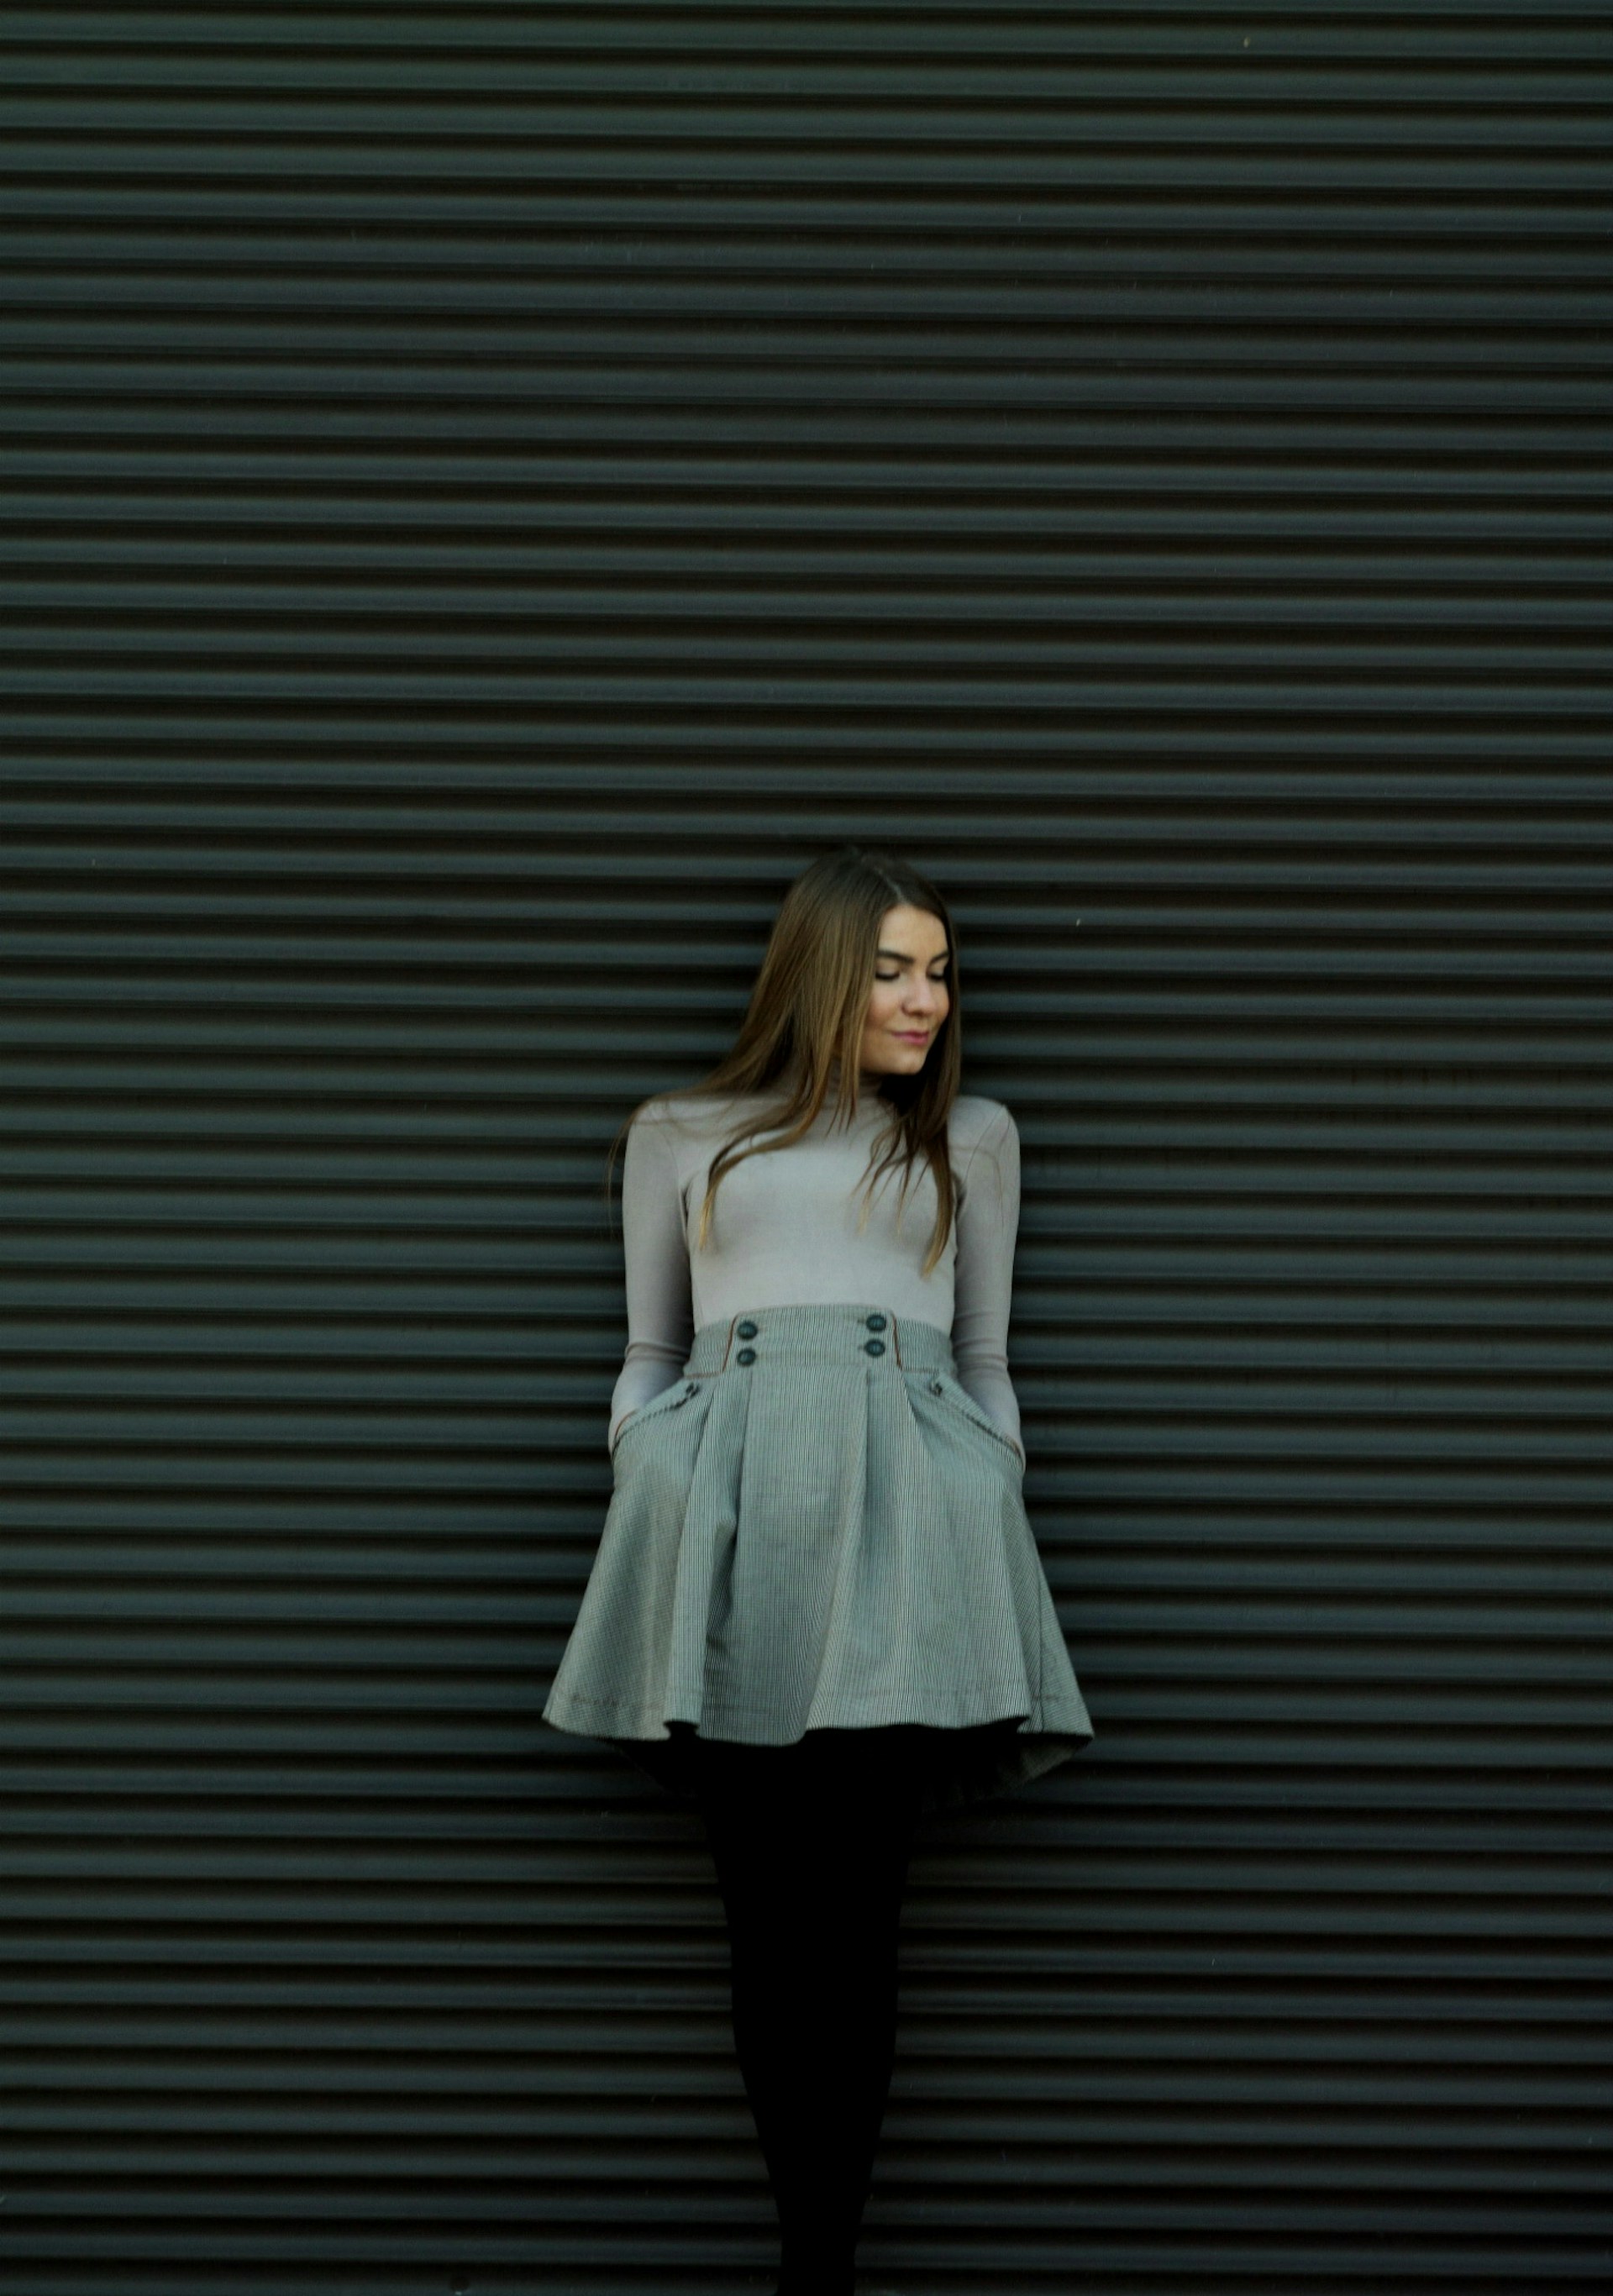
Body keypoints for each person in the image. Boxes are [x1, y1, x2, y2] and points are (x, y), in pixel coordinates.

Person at [542, 843, 1095, 2296]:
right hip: (726, 1530)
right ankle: (812, 2259)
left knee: (854, 1933)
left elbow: (985, 1358)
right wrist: (650, 1463)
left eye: (941, 971)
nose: (927, 999)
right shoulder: (681, 1129)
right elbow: (650, 1348)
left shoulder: (972, 1135)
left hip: (907, 1527)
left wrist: (985, 1479)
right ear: (820, 971)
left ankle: (820, 2271)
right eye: (893, 969)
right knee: (770, 1933)